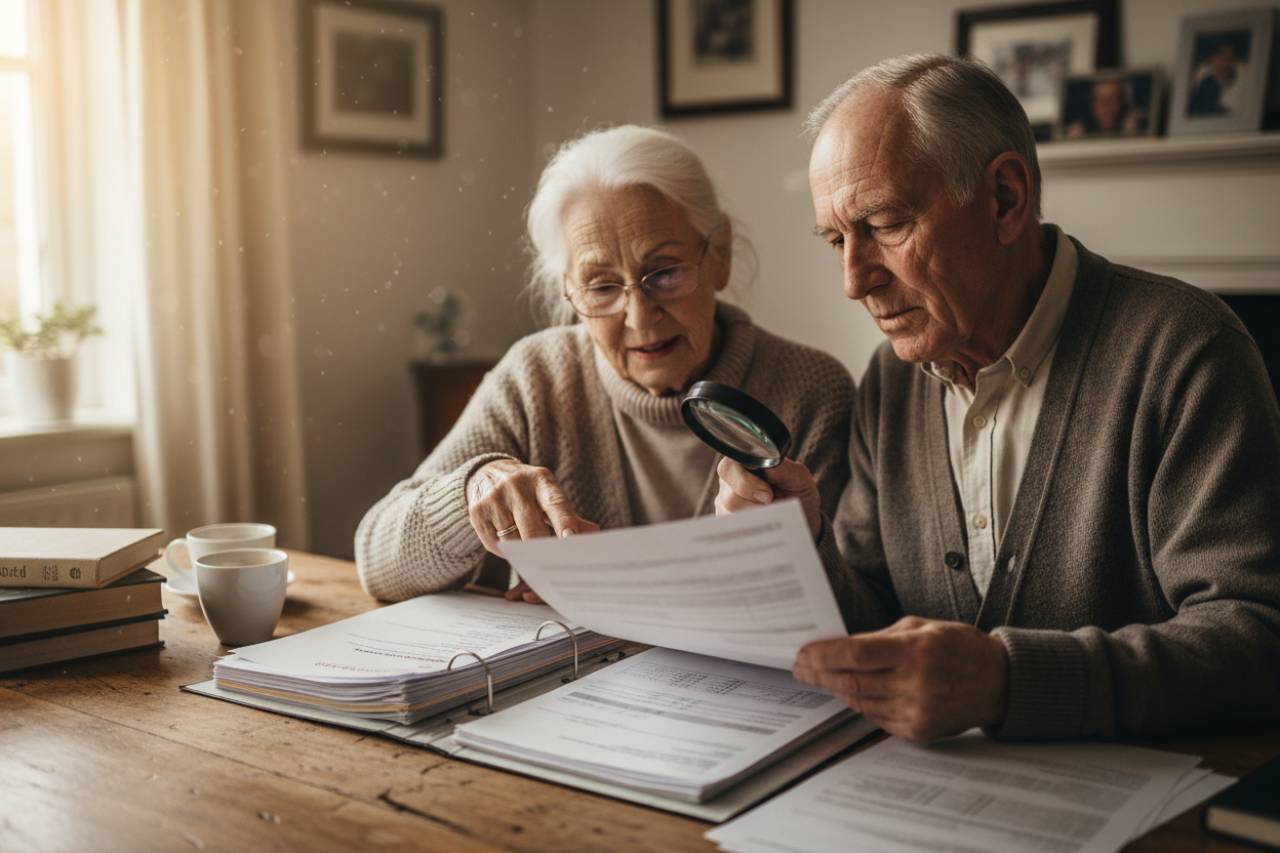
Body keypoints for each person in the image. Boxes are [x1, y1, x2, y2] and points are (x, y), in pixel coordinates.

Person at [715, 54, 1280, 742]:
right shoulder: (890, 383)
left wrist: (1008, 681)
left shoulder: (1185, 352)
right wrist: (799, 542)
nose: (853, 280)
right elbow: (872, 620)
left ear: (1005, 199)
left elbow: (1258, 638)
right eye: (836, 239)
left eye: (885, 225)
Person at [356, 125, 856, 603]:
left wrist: (798, 545)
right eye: (601, 287)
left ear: (719, 256)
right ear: (568, 291)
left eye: (664, 273)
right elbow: (377, 563)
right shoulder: (536, 378)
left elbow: (858, 610)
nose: (639, 318)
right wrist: (473, 490)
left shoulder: (809, 391)